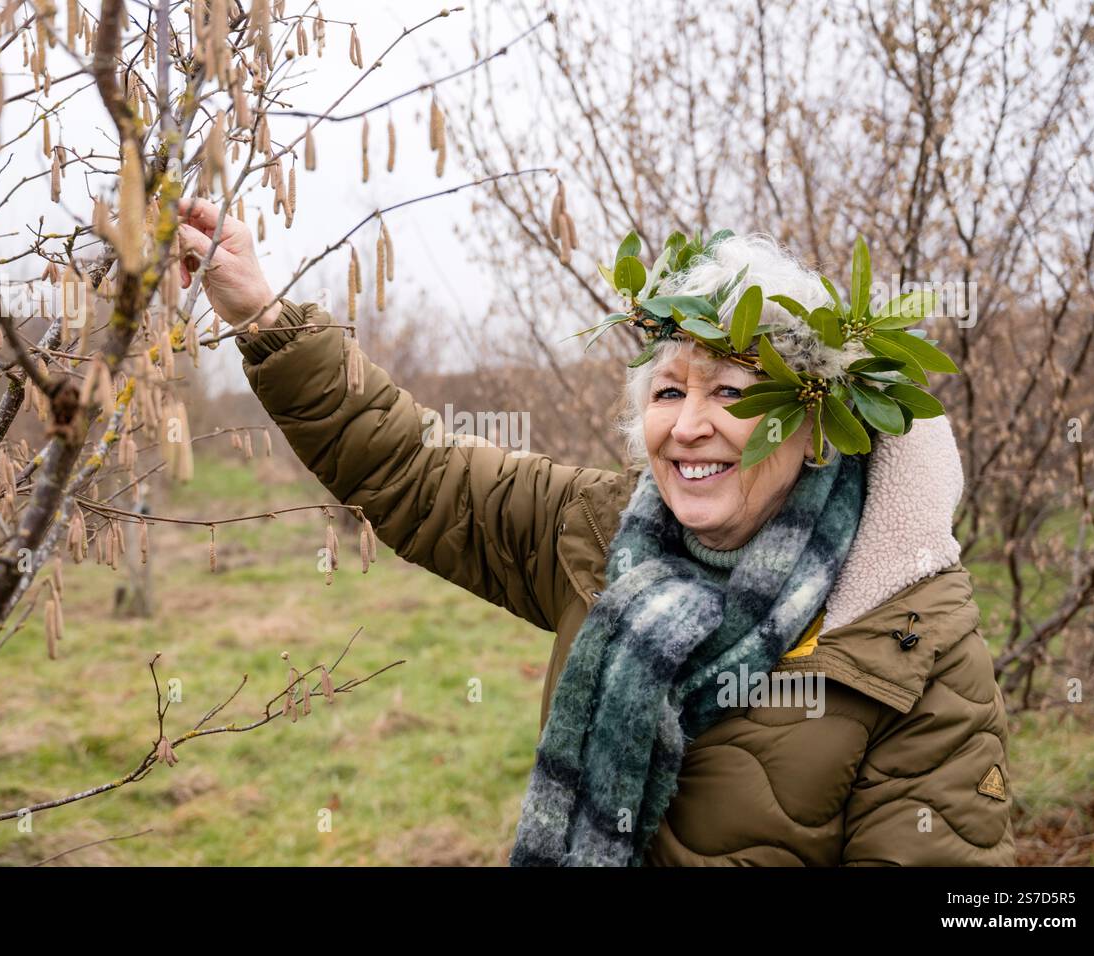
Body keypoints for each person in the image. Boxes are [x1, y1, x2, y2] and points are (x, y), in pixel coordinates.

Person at [177, 199, 1016, 866]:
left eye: (730, 393)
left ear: (814, 419)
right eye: (666, 393)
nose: (689, 426)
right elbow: (412, 468)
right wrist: (262, 314)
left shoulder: (905, 632)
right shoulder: (598, 534)